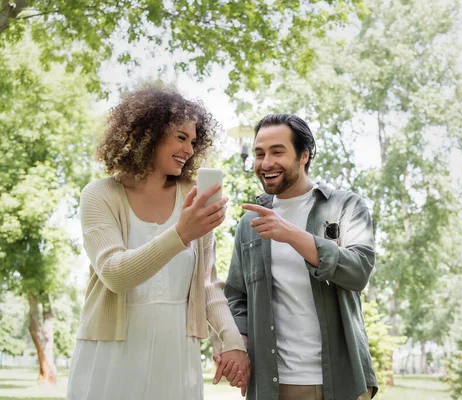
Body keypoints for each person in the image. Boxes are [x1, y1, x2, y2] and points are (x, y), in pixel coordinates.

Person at [67, 85, 250, 400]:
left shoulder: (192, 199)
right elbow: (114, 274)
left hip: (177, 353)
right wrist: (181, 234)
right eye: (181, 137)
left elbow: (207, 285)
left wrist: (232, 341)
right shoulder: (99, 194)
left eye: (193, 141)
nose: (189, 150)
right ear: (147, 134)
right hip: (111, 352)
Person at [221, 113, 378, 399]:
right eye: (259, 154)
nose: (265, 163)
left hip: (340, 381)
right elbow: (236, 295)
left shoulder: (346, 207)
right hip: (271, 385)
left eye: (277, 152)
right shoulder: (249, 224)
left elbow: (359, 271)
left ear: (304, 155)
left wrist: (292, 235)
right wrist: (238, 342)